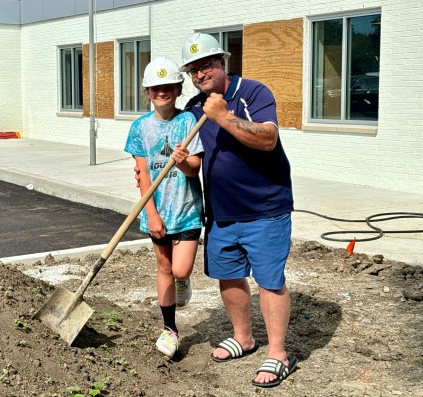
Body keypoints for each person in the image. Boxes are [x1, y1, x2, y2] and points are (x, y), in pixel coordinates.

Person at [178, 33, 297, 388]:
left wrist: (223, 116)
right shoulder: (192, 110)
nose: (200, 74)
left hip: (264, 208)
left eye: (206, 65)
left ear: (222, 63)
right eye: (193, 70)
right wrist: (184, 163)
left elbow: (268, 138)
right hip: (221, 212)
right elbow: (196, 167)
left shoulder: (253, 92)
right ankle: (243, 337)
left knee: (270, 281)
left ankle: (278, 354)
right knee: (228, 276)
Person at [124, 56, 204, 359]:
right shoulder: (139, 128)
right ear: (147, 92)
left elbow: (195, 169)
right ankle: (170, 329)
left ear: (178, 88)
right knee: (164, 268)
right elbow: (142, 173)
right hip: (158, 211)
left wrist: (183, 161)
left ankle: (184, 282)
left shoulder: (189, 123)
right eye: (156, 88)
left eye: (168, 86)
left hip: (188, 209)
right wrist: (151, 214)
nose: (162, 92)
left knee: (180, 269)